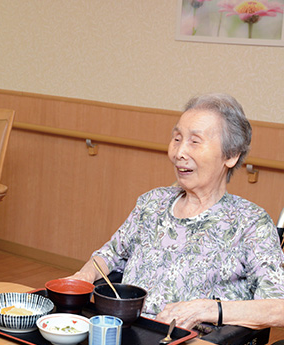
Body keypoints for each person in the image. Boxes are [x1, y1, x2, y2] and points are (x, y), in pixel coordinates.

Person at [68, 93, 284, 330]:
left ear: (231, 155)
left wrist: (207, 309)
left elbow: (278, 307)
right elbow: (110, 254)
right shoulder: (153, 202)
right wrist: (82, 277)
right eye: (177, 139)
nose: (179, 152)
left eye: (194, 141)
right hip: (127, 331)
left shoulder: (250, 222)